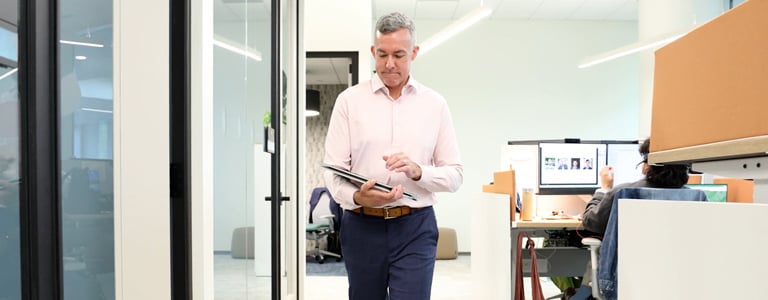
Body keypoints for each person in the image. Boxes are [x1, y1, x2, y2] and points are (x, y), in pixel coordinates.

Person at [323, 12, 463, 300]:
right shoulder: (349, 101)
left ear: (414, 52)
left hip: (415, 226)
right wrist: (358, 197)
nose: (389, 64)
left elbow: (454, 175)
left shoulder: (435, 104)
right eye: (382, 54)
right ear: (373, 52)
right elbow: (333, 170)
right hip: (361, 226)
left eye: (399, 55)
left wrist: (419, 171)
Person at [568, 138, 689, 300]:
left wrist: (604, 189)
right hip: (678, 280)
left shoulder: (625, 192)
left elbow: (591, 222)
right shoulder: (694, 197)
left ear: (647, 165)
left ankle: (580, 295)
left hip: (622, 279)